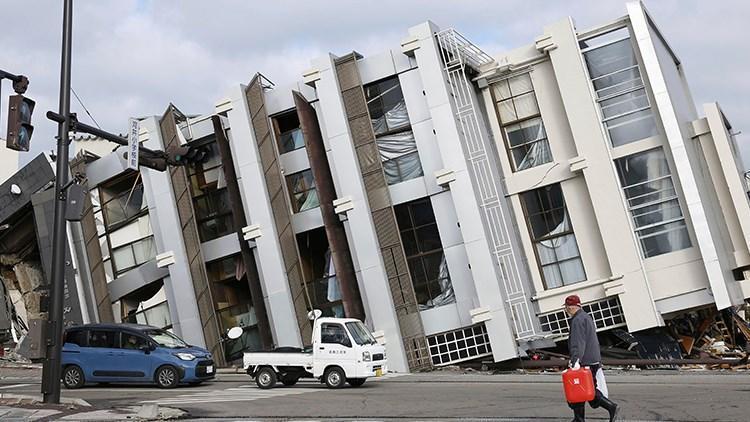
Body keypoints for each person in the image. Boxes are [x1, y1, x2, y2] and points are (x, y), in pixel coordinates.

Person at [565, 294, 619, 422]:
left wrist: (575, 360)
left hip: (585, 360)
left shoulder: (577, 320)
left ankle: (611, 407)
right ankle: (579, 418)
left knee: (584, 389)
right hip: (593, 358)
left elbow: (578, 342)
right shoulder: (586, 316)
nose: (566, 310)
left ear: (571, 307)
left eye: (566, 308)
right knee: (582, 388)